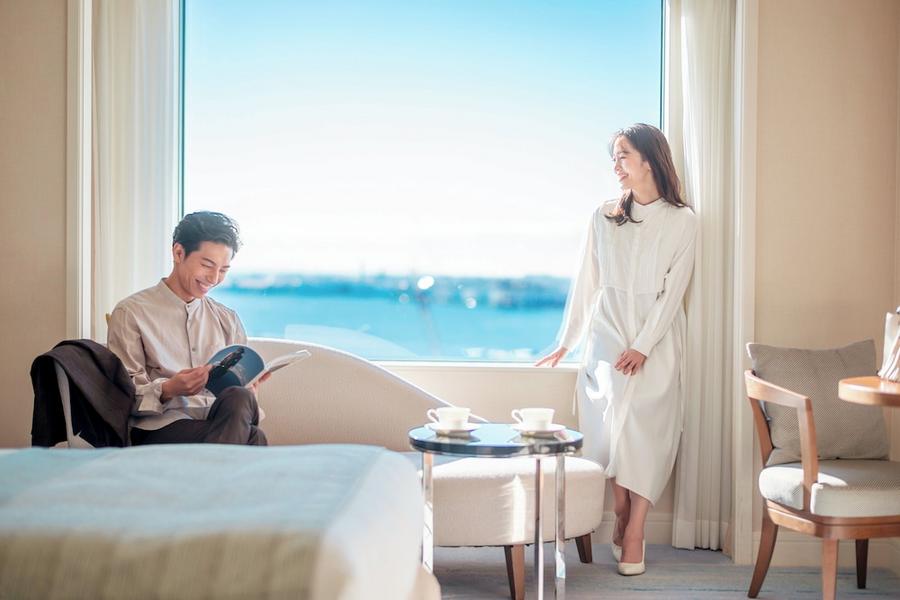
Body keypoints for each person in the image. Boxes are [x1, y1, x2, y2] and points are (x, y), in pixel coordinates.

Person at [536, 123, 697, 576]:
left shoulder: (682, 220)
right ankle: (621, 507)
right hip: (606, 333)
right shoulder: (603, 215)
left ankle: (635, 530)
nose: (616, 165)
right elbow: (587, 282)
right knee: (610, 427)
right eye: (614, 157)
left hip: (657, 336)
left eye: (623, 155)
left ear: (649, 159)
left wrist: (644, 345)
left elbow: (674, 291)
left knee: (647, 429)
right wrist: (567, 341)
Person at [108, 211, 269, 446]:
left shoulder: (227, 319)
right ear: (178, 253)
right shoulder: (131, 312)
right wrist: (168, 389)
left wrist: (252, 391)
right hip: (161, 426)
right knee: (255, 438)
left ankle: (216, 465)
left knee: (241, 395)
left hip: (218, 420)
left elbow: (240, 402)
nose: (214, 278)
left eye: (224, 270)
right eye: (207, 265)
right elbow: (122, 397)